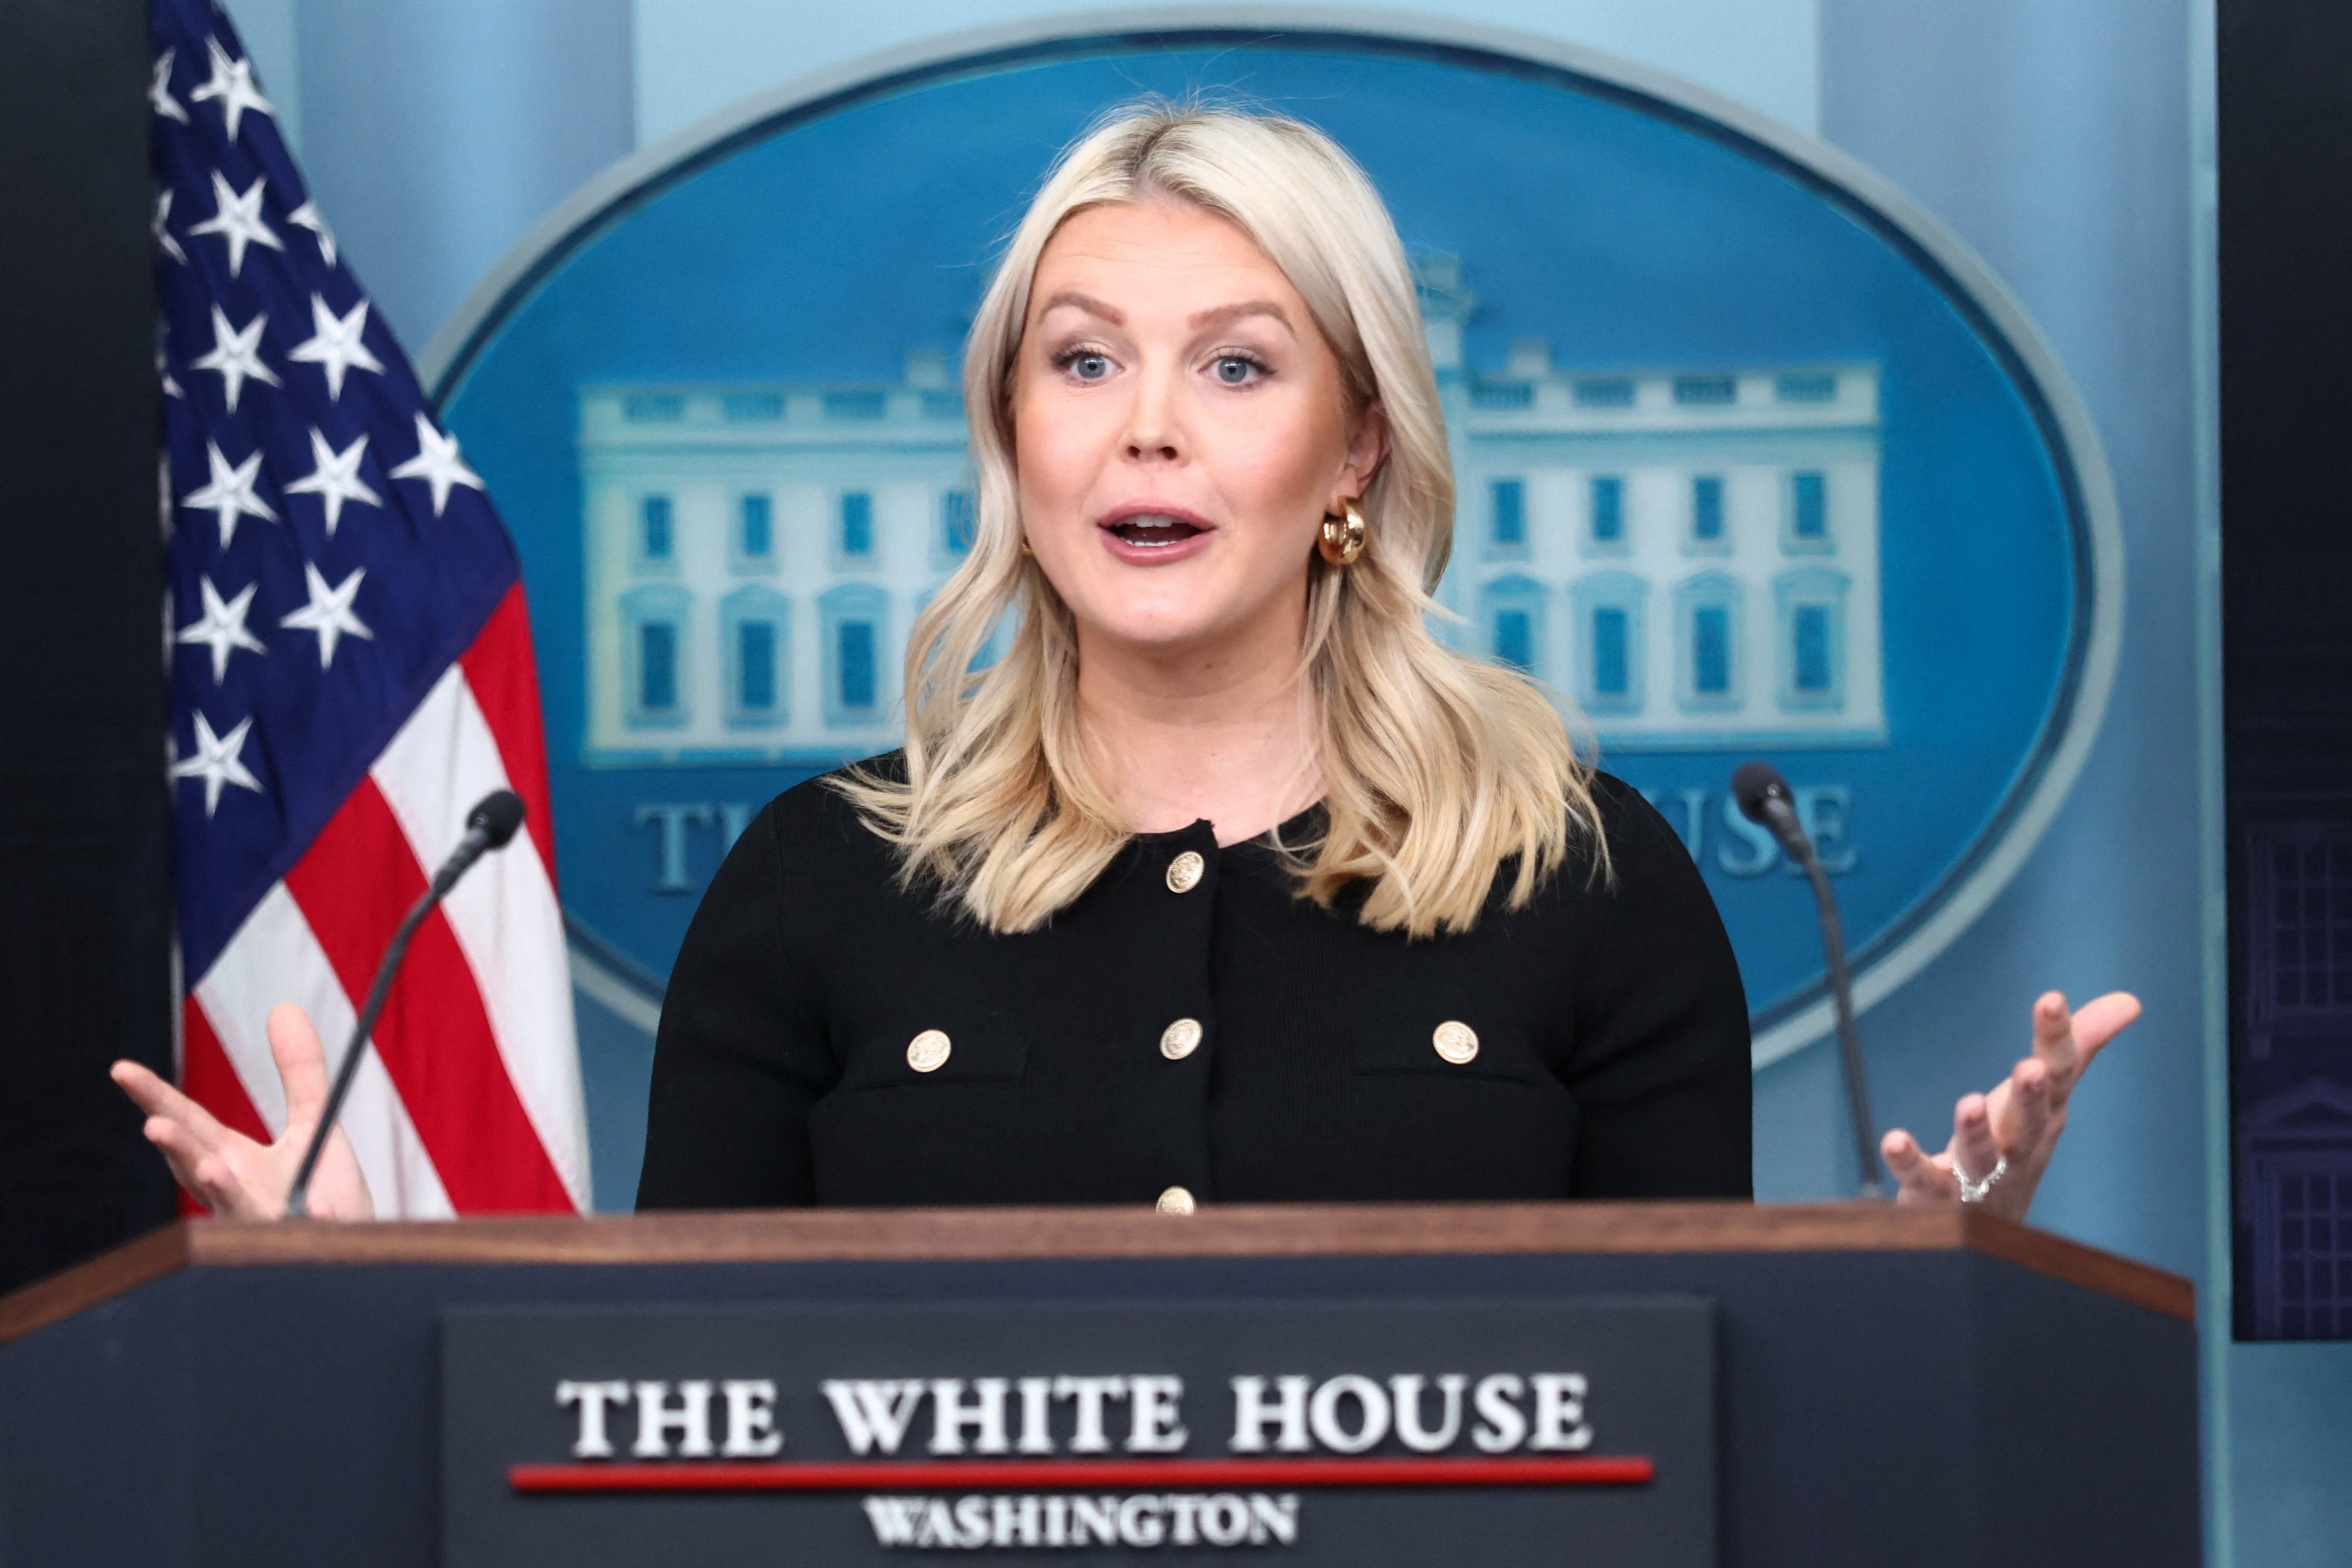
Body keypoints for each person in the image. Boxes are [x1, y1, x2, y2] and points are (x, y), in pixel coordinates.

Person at [110, 104, 2139, 1224]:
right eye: (1083, 361)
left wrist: (1922, 1281)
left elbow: (1702, 1409)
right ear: (1015, 434)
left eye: (1235, 366)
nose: (1145, 426)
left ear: (1355, 449)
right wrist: (355, 1296)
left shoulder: (1588, 880)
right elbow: (675, 1405)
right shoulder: (820, 884)